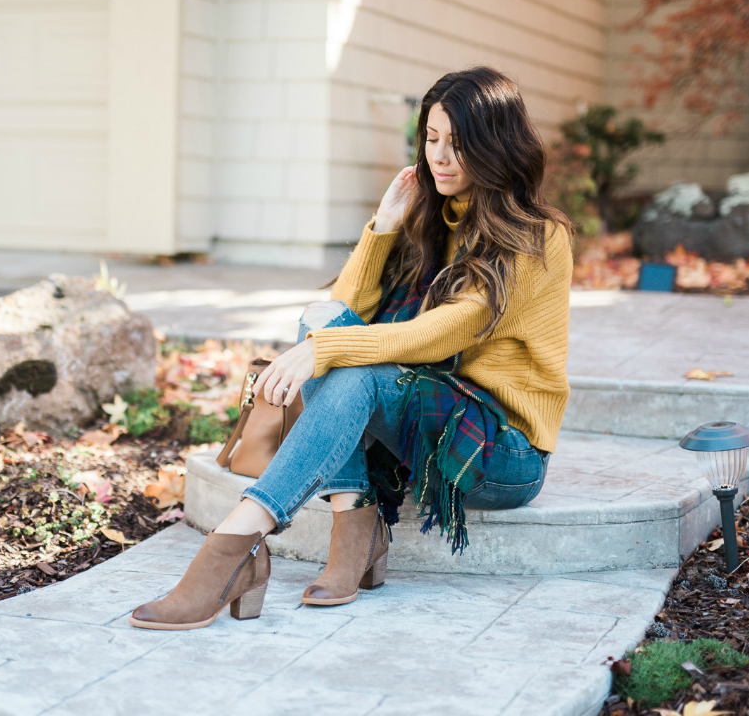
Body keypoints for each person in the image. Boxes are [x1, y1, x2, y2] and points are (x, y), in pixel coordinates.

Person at [130, 66, 574, 630]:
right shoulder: (434, 219)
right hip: (431, 414)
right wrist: (384, 226)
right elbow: (345, 309)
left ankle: (236, 540)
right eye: (432, 139)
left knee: (342, 358)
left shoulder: (539, 235)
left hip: (500, 451)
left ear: (494, 145)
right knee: (324, 325)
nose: (439, 157)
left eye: (457, 144)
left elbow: (450, 329)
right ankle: (353, 529)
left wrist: (324, 351)